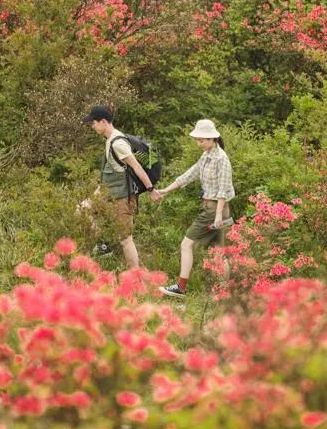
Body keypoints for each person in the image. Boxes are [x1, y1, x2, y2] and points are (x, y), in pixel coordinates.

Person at [151, 119, 234, 298]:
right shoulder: (206, 155)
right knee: (219, 253)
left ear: (212, 138)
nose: (199, 143)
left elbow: (223, 190)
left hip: (215, 210)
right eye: (197, 140)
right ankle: (224, 294)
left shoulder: (221, 159)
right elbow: (189, 175)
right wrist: (166, 190)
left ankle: (181, 287)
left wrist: (218, 215)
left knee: (186, 244)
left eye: (201, 140)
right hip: (212, 209)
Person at [83, 105, 156, 269]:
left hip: (123, 197)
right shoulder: (110, 140)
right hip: (109, 193)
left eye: (93, 123)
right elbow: (110, 173)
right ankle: (103, 245)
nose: (92, 126)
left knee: (125, 239)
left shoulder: (118, 143)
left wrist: (151, 190)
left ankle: (135, 274)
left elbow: (137, 167)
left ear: (103, 121)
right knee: (83, 210)